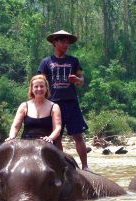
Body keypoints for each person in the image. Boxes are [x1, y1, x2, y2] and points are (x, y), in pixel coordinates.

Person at [38, 30, 90, 170]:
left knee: (78, 135)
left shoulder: (73, 61)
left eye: (67, 42)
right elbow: (41, 82)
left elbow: (81, 80)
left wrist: (77, 79)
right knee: (57, 137)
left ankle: (85, 167)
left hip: (71, 102)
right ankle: (62, 167)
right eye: (62, 41)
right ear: (55, 43)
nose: (66, 44)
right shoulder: (46, 62)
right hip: (54, 104)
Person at [5, 74, 61, 143]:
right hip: (26, 144)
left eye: (42, 86)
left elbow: (57, 128)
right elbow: (15, 126)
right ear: (31, 89)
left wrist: (50, 138)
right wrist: (12, 137)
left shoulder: (54, 107)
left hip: (47, 144)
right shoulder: (24, 106)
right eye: (36, 87)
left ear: (46, 88)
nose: (39, 89)